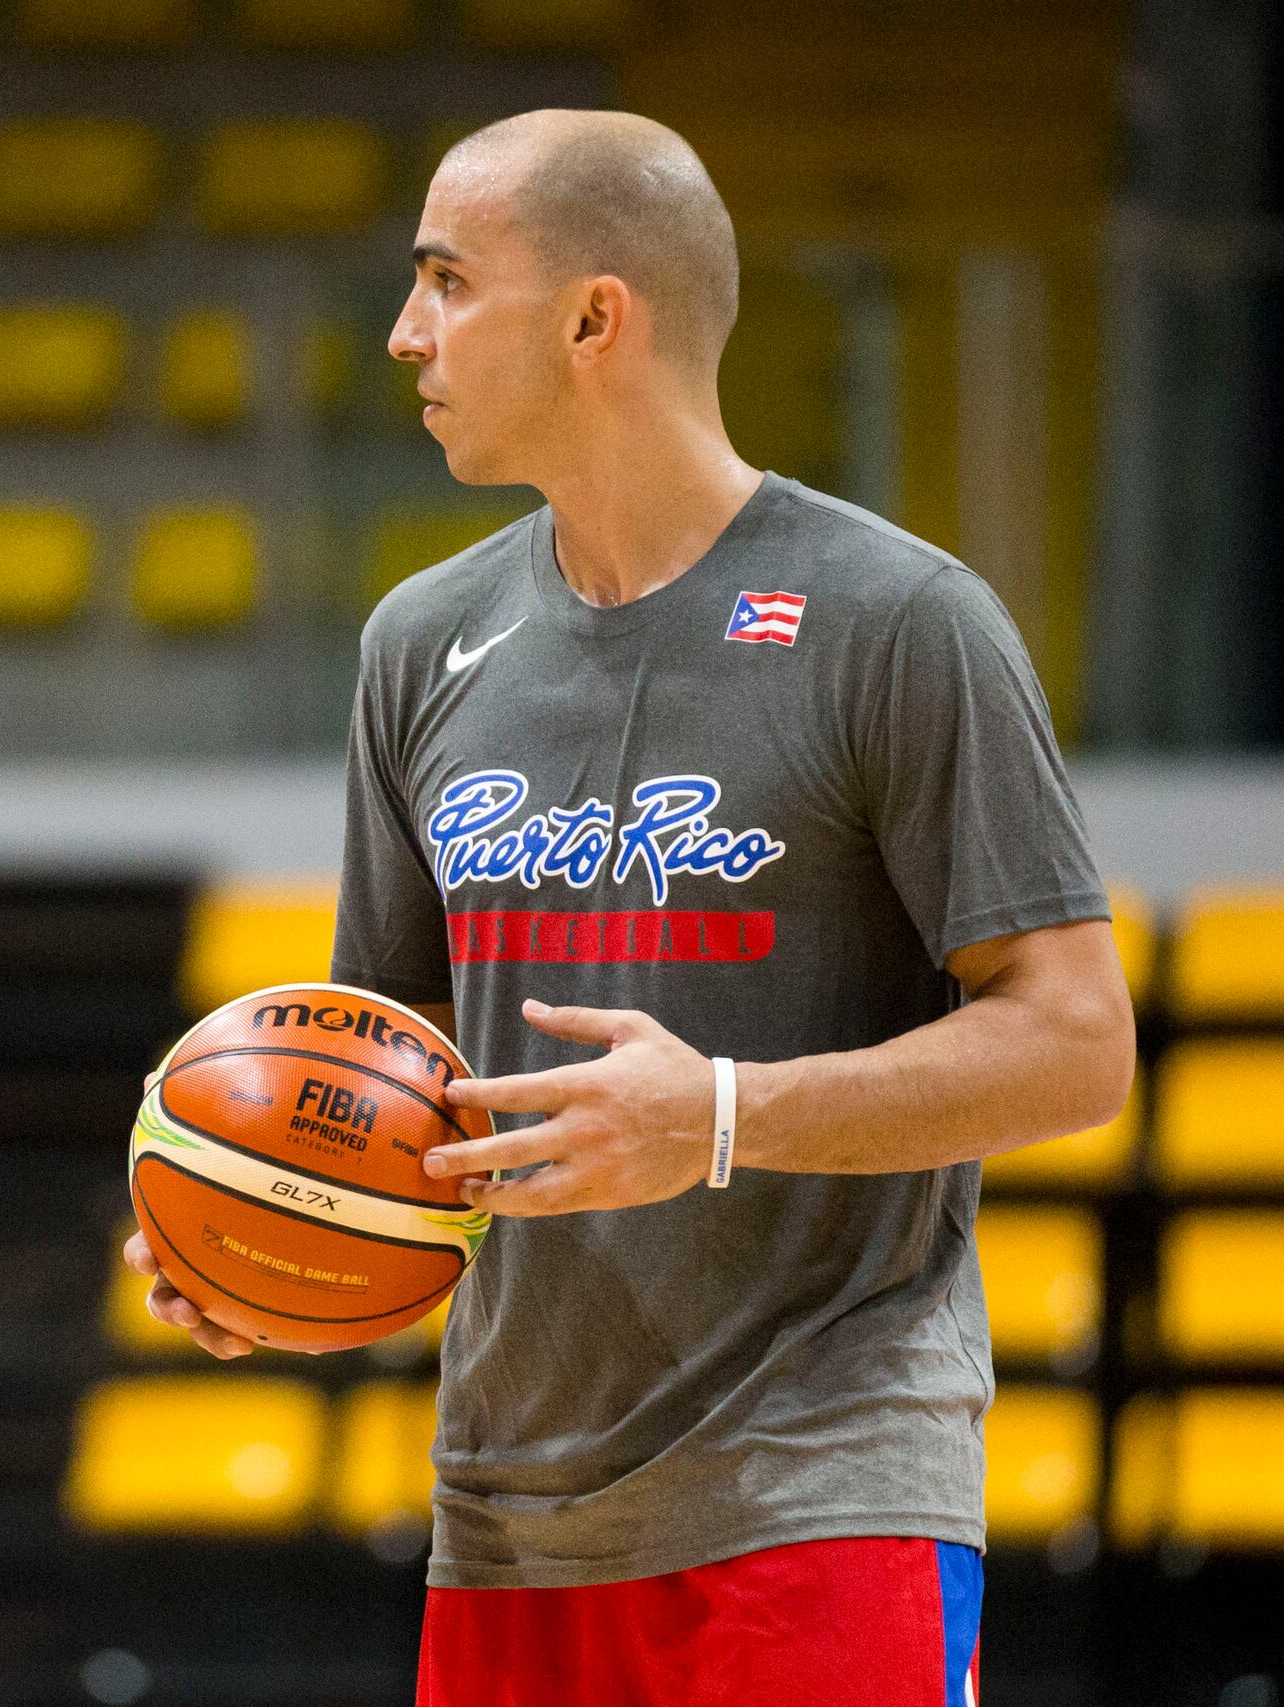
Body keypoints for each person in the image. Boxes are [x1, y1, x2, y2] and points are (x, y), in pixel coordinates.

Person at [126, 109, 1134, 1707]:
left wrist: (719, 1114)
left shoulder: (904, 623)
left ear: (598, 317)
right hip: (508, 1522)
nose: (405, 333)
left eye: (448, 282)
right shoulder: (421, 641)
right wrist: (265, 1230)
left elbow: (1077, 1045)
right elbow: (382, 1072)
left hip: (821, 1497)